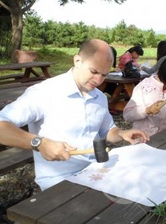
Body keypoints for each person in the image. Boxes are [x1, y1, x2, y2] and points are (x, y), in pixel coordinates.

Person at [0, 39, 149, 191]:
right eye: (94, 71)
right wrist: (40, 143)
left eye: (104, 74)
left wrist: (122, 133)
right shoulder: (44, 93)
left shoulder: (100, 97)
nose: (98, 80)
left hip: (94, 172)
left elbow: (108, 131)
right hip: (58, 180)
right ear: (77, 61)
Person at [123, 54, 166, 137]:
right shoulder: (144, 87)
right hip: (143, 138)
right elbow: (127, 115)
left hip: (164, 137)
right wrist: (147, 110)